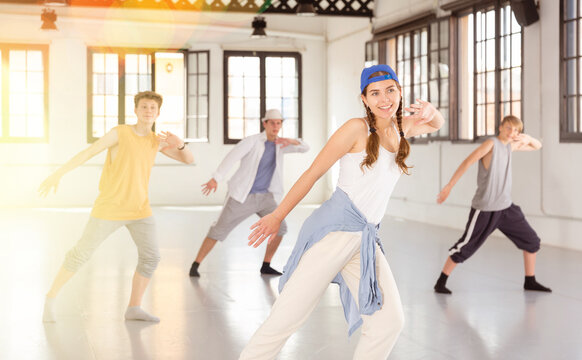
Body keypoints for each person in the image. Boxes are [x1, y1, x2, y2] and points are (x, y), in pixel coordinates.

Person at [239, 64, 444, 360]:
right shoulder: (355, 128)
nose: (384, 98)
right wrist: (277, 215)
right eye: (375, 93)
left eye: (390, 90)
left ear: (400, 91)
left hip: (364, 240)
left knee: (389, 321)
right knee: (286, 318)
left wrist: (431, 111)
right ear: (364, 98)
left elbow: (437, 123)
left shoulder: (401, 128)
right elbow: (312, 173)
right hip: (333, 233)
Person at [39, 91, 194, 322]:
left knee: (151, 257)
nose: (148, 111)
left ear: (158, 113)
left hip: (140, 210)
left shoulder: (155, 141)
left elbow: (189, 160)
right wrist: (58, 173)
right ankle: (50, 299)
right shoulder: (120, 133)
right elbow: (88, 152)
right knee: (81, 254)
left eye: (152, 108)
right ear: (136, 110)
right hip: (110, 208)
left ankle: (133, 308)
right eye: (144, 107)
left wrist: (180, 144)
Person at [433, 115, 551, 294]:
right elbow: (467, 162)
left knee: (532, 241)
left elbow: (538, 146)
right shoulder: (491, 144)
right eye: (509, 128)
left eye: (517, 130)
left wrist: (529, 139)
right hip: (485, 210)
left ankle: (530, 280)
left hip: (506, 208)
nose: (512, 132)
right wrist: (449, 186)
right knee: (465, 246)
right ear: (501, 127)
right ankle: (440, 282)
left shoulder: (511, 146)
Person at [188, 109, 309, 277]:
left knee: (280, 228)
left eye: (279, 123)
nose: (276, 126)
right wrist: (216, 178)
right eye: (272, 122)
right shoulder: (252, 141)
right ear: (264, 123)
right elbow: (232, 157)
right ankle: (195, 264)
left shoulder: (281, 144)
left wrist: (291, 140)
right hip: (242, 196)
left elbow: (305, 148)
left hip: (266, 197)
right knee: (218, 230)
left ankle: (266, 265)